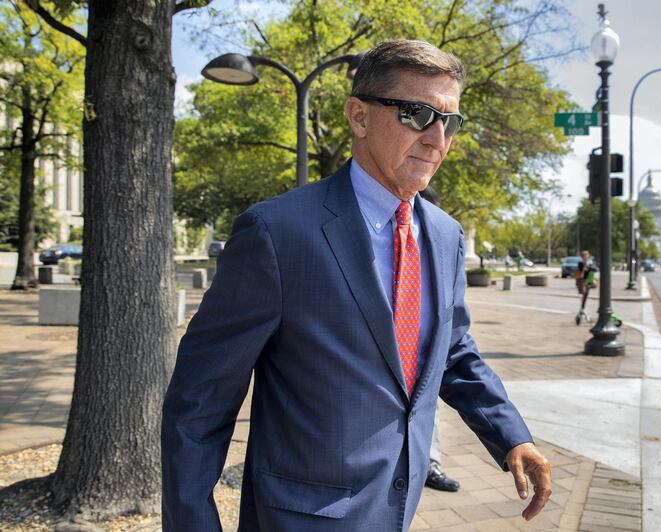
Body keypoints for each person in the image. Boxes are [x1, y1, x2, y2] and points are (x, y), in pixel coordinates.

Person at [161, 39, 551, 532]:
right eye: (416, 114)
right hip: (300, 519)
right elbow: (199, 405)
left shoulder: (445, 235)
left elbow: (452, 351)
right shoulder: (277, 233)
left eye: (449, 121)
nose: (437, 139)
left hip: (399, 509)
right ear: (359, 117)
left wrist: (511, 435)